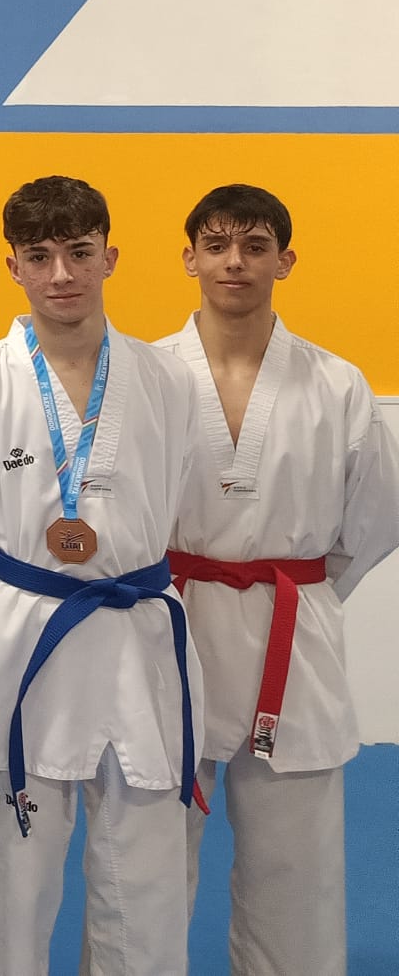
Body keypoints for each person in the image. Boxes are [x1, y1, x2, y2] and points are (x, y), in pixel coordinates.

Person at [0, 175, 206, 976]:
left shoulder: (166, 379)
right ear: (12, 266)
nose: (61, 275)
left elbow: (177, 498)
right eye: (40, 256)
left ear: (110, 258)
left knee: (147, 878)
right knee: (17, 880)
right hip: (26, 638)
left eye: (80, 253)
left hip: (138, 632)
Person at [161, 184, 399, 976]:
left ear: (285, 261)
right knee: (143, 858)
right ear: (189, 257)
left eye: (255, 246)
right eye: (217, 244)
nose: (235, 261)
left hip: (289, 634)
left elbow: (373, 519)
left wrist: (297, 591)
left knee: (297, 867)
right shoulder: (143, 377)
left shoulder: (337, 384)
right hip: (170, 630)